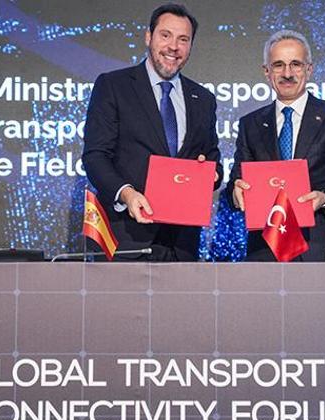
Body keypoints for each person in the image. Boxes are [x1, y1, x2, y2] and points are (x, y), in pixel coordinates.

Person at [83, 3, 222, 262]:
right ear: (149, 37)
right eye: (165, 35)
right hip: (126, 238)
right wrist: (127, 194)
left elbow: (213, 159)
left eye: (183, 39)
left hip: (182, 245)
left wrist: (210, 173)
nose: (173, 47)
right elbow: (95, 156)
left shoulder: (203, 99)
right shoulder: (113, 85)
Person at [228, 30, 325, 261]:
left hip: (318, 247)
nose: (287, 73)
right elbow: (237, 180)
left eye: (296, 64)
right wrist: (236, 192)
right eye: (278, 65)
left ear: (309, 69)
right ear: (266, 71)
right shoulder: (250, 124)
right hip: (265, 249)